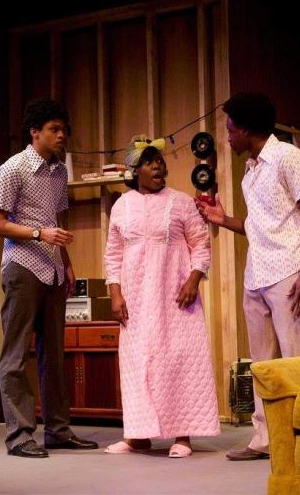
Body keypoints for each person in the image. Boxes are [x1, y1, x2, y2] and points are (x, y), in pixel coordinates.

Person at [196, 92, 300, 461]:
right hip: (256, 274)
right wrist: (223, 220)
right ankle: (265, 439)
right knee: (262, 365)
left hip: (289, 273)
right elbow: (259, 226)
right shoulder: (250, 171)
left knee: (296, 358)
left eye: (230, 129)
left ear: (246, 129)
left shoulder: (289, 158)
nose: (228, 137)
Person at [0, 98, 98, 458]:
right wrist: (39, 235)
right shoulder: (12, 169)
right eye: (54, 129)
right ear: (34, 132)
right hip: (22, 266)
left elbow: (57, 221)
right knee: (16, 353)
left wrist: (66, 262)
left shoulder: (59, 171)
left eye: (63, 129)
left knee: (54, 353)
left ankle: (58, 430)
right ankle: (20, 435)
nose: (61, 135)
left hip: (52, 268)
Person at [102, 136, 220, 459]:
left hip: (175, 295)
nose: (157, 166)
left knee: (177, 359)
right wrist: (115, 294)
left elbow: (200, 244)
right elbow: (112, 255)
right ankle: (138, 436)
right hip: (136, 298)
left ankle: (183, 435)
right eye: (149, 161)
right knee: (137, 362)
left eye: (159, 161)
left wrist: (194, 280)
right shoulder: (121, 206)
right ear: (134, 170)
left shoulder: (181, 202)